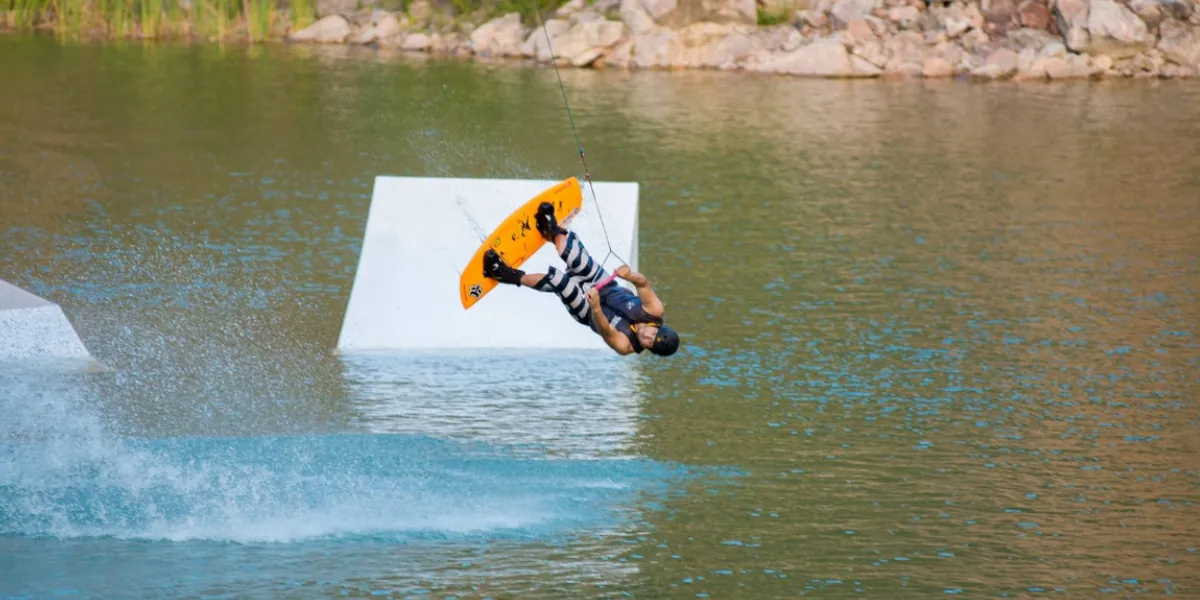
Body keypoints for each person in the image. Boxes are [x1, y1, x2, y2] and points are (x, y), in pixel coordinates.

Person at [481, 201, 680, 357]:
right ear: (657, 327)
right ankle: (551, 230)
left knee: (558, 281)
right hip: (606, 284)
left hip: (587, 311)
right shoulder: (655, 311)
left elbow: (606, 332)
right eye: (652, 334)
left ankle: (505, 274)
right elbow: (642, 283)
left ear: (649, 349)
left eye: (649, 343)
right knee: (574, 258)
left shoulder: (626, 346)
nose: (646, 336)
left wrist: (595, 308)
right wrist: (629, 275)